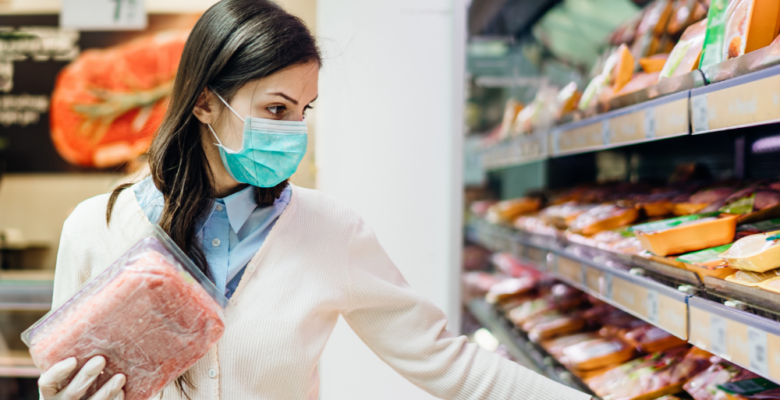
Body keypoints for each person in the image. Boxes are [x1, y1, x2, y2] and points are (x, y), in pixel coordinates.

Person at [38, 1, 592, 399]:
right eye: (277, 109)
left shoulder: (330, 231)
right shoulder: (97, 228)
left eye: (305, 110)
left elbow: (446, 361)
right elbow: (67, 378)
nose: (294, 130)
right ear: (205, 104)